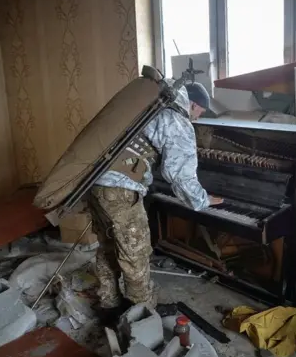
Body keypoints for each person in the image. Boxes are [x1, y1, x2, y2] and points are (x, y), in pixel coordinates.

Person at [88, 81, 222, 314]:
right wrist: (202, 200)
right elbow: (179, 174)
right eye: (200, 111)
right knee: (135, 254)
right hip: (121, 189)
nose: (198, 118)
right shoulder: (177, 121)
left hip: (96, 183)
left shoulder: (151, 107)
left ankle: (109, 302)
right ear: (192, 103)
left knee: (108, 245)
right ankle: (142, 316)